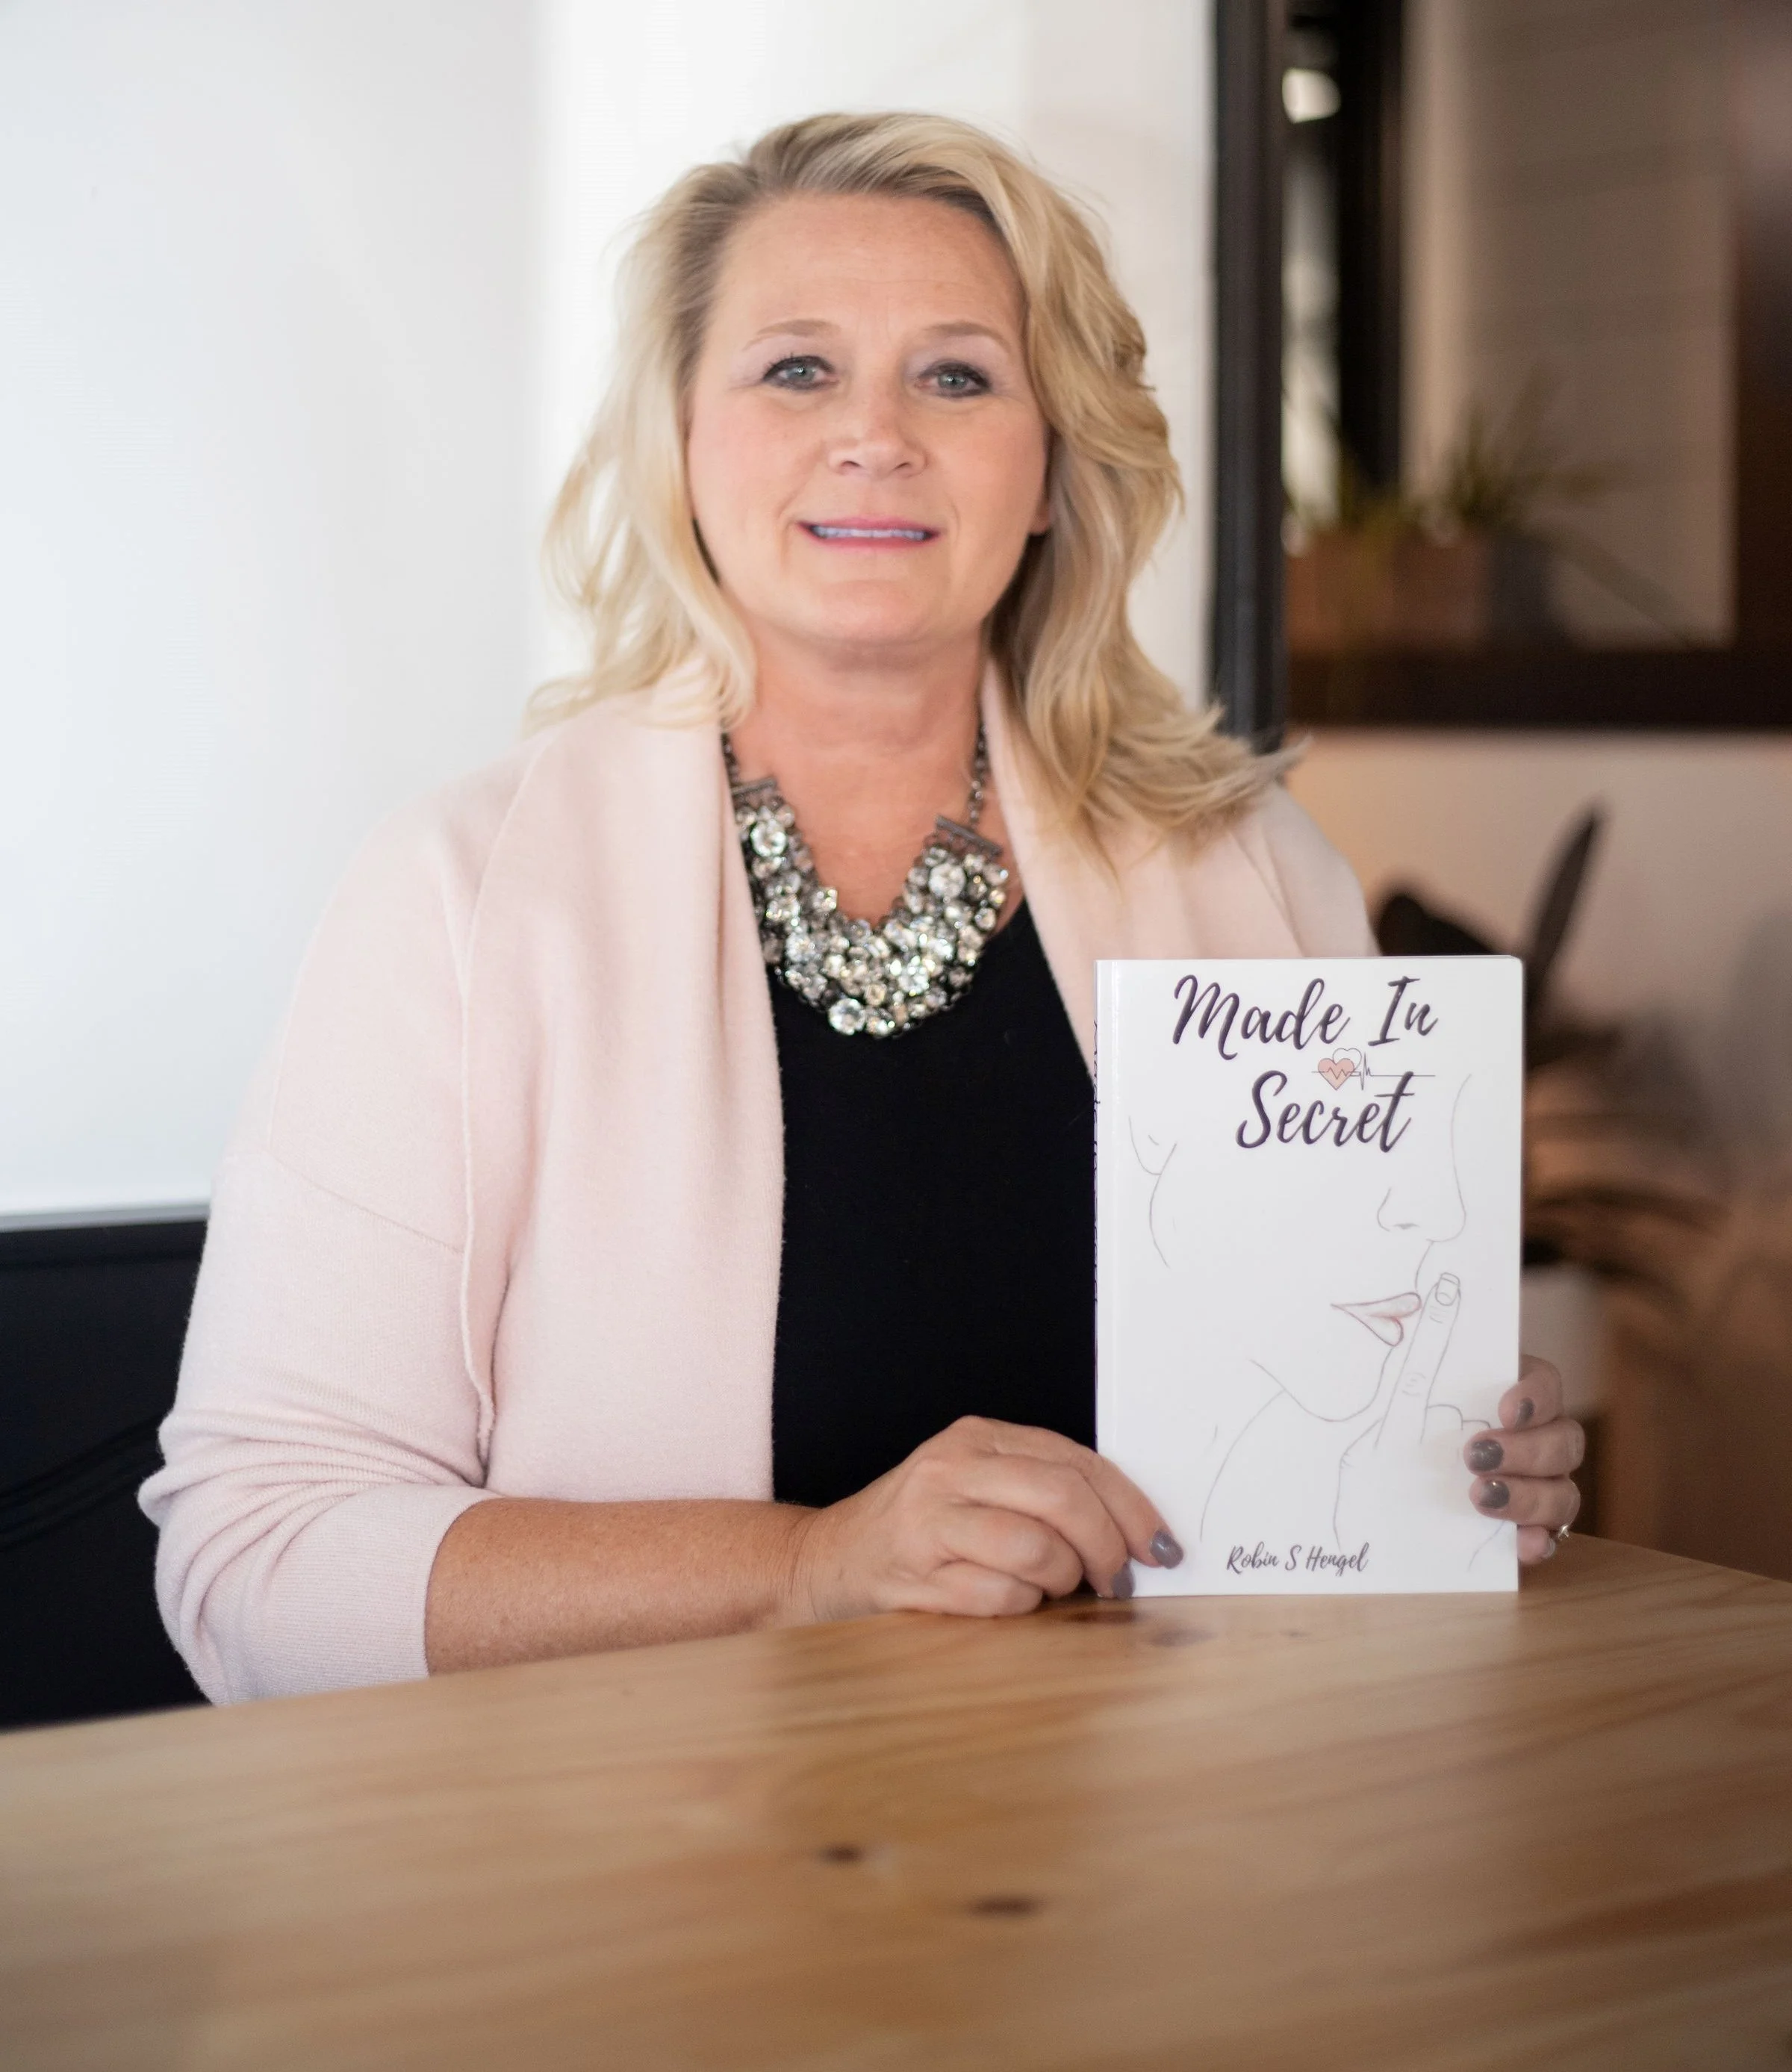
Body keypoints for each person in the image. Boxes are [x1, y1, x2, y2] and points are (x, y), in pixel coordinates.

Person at [142, 113, 1582, 1702]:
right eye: (796, 369)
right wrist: (811, 1567)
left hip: (1181, 1818)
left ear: (1054, 467)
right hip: (643, 1838)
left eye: (958, 376)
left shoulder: (1249, 863)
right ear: (683, 444)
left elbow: (1339, 1468)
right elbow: (258, 1561)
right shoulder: (458, 899)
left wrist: (1444, 1464)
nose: (876, 436)